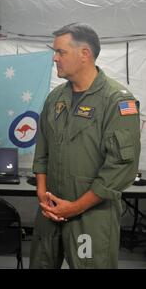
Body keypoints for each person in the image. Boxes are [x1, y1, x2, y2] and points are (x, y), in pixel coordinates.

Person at [30, 23, 141, 268]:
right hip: (50, 210)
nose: (54, 57)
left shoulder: (117, 101)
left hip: (91, 216)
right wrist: (41, 192)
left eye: (61, 52)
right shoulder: (56, 98)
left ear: (85, 54)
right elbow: (42, 148)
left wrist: (75, 207)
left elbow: (120, 168)